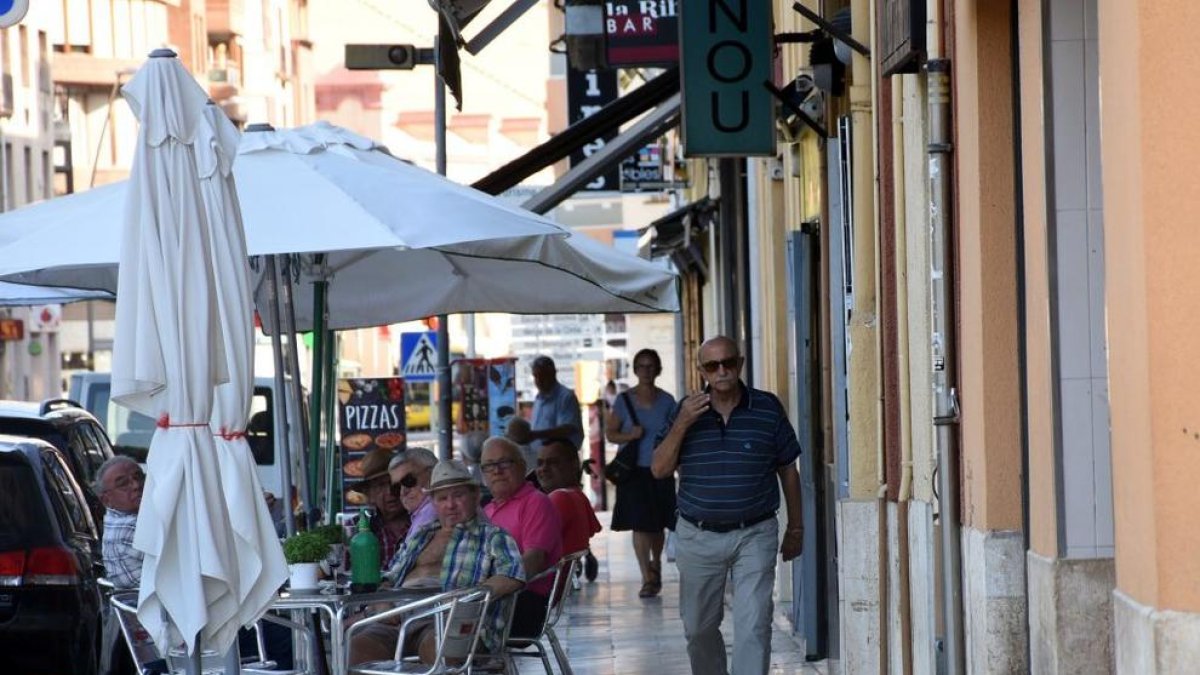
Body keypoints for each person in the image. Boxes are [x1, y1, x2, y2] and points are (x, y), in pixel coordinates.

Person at [651, 336, 804, 675]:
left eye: (728, 363)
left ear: (741, 363)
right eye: (712, 366)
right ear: (701, 370)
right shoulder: (685, 412)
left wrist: (796, 528)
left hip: (755, 533)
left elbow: (788, 471)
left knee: (754, 626)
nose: (721, 371)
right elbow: (660, 469)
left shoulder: (766, 407)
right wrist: (682, 424)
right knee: (698, 629)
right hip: (698, 534)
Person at [95, 456, 293, 672]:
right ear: (106, 500)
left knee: (271, 622)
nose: (136, 485)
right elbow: (197, 558)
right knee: (287, 636)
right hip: (187, 632)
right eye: (123, 483)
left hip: (182, 622)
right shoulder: (133, 530)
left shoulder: (141, 521)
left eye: (138, 477)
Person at [349, 460, 525, 665]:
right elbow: (390, 576)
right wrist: (382, 601)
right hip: (401, 619)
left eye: (458, 495)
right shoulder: (421, 536)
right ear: (433, 501)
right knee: (356, 648)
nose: (450, 505)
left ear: (475, 496)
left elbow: (513, 575)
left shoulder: (492, 535)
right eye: (442, 498)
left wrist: (469, 597)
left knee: (439, 648)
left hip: (450, 620)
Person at [606, 347, 678, 598]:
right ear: (635, 370)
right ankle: (646, 576)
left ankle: (655, 563)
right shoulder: (624, 401)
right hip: (633, 470)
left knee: (657, 524)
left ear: (658, 369)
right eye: (641, 366)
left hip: (661, 469)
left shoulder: (668, 401)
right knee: (639, 523)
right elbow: (610, 433)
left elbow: (677, 434)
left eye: (651, 366)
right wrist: (630, 435)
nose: (646, 371)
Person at [479, 436, 563, 639]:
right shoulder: (486, 510)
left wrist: (481, 592)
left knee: (447, 627)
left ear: (523, 467)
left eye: (504, 463)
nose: (497, 471)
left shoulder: (535, 502)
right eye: (489, 466)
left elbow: (533, 561)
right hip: (492, 599)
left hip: (523, 603)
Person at [507, 356, 583, 475]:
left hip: (559, 464)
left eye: (542, 376)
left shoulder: (565, 397)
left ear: (553, 374)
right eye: (536, 376)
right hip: (538, 461)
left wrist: (535, 435)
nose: (538, 381)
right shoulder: (539, 399)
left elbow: (567, 429)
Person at [535, 439, 601, 557]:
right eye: (540, 463)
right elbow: (593, 529)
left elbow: (532, 549)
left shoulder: (560, 498)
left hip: (546, 574)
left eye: (553, 462)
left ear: (574, 464)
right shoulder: (577, 495)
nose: (543, 469)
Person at [351, 446, 410, 566]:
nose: (389, 491)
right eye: (380, 485)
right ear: (369, 494)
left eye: (394, 483)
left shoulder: (423, 523)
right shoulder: (355, 528)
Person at [387, 446, 437, 541]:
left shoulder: (432, 510)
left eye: (408, 481)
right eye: (396, 488)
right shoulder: (421, 513)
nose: (403, 492)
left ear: (431, 474)